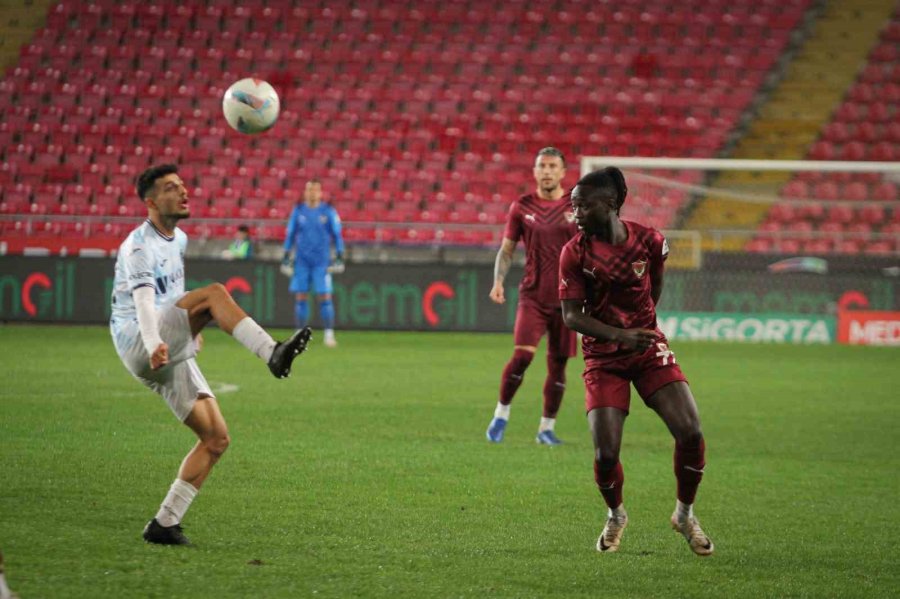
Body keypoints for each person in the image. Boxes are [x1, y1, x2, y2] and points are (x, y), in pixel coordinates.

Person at [110, 164, 312, 546]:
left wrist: (192, 330)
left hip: (164, 347)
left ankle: (164, 523)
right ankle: (272, 352)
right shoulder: (139, 245)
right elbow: (143, 301)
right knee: (216, 293)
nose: (184, 192)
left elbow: (173, 295)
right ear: (151, 202)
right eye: (172, 188)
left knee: (216, 439)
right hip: (140, 340)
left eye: (184, 185)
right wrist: (155, 342)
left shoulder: (179, 239)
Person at [558, 167, 713, 556]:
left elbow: (654, 285)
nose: (574, 213)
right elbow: (571, 316)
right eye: (572, 206)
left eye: (581, 205)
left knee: (690, 432)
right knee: (606, 452)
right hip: (602, 357)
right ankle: (616, 515)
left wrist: (641, 330)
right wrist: (619, 335)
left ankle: (684, 514)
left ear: (609, 204)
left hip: (647, 350)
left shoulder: (650, 241)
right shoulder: (574, 252)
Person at [485, 147, 578, 446]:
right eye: (542, 166)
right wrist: (498, 280)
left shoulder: (577, 206)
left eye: (553, 166)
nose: (547, 171)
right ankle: (501, 414)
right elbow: (507, 249)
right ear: (535, 171)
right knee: (523, 355)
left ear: (563, 172)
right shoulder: (521, 206)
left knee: (558, 364)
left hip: (568, 300)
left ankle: (545, 429)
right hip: (533, 296)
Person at [282, 179, 345, 348]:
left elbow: (337, 235)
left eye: (315, 190)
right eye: (309, 190)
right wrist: (286, 255)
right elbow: (290, 234)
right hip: (302, 262)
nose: (312, 193)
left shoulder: (328, 211)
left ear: (320, 192)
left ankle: (329, 334)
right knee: (301, 296)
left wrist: (340, 255)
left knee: (325, 297)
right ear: (305, 192)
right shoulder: (298, 211)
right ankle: (299, 334)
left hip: (321, 263)